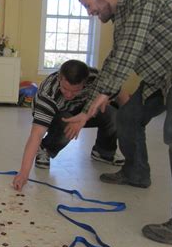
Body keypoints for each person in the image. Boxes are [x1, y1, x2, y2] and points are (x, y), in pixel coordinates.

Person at [64, 0, 172, 245]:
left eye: (89, 5)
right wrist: (87, 109)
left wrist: (102, 95)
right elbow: (113, 61)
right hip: (162, 77)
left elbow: (127, 54)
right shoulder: (121, 22)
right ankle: (136, 172)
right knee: (129, 116)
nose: (90, 13)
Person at [13, 60, 128, 191]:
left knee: (113, 114)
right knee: (66, 122)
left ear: (85, 83)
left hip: (83, 110)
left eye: (75, 91)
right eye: (65, 89)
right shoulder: (48, 93)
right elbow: (36, 135)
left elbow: (118, 91)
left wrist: (128, 117)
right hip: (56, 114)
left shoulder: (97, 78)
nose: (68, 94)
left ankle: (103, 152)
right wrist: (23, 173)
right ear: (60, 77)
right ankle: (46, 148)